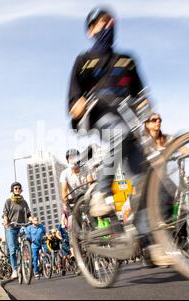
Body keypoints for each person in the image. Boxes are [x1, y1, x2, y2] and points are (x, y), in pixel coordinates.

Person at [68, 7, 147, 218]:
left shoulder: (127, 60)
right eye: (104, 22)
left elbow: (141, 96)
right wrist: (77, 104)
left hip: (128, 120)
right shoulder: (83, 61)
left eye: (112, 22)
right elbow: (74, 98)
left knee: (144, 178)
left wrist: (147, 116)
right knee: (120, 134)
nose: (109, 26)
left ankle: (149, 241)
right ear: (91, 30)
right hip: (98, 116)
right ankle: (101, 194)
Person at [2, 182, 31, 279]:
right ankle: (14, 269)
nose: (17, 189)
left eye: (19, 188)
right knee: (13, 249)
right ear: (12, 190)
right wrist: (6, 220)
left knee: (27, 238)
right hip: (12, 226)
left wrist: (31, 219)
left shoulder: (24, 202)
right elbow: (5, 213)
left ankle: (26, 254)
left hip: (22, 225)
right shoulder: (8, 201)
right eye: (15, 188)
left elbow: (28, 214)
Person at [60, 149, 94, 227]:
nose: (73, 160)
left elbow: (91, 184)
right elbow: (64, 191)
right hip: (73, 201)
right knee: (74, 223)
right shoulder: (64, 173)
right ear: (68, 161)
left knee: (93, 214)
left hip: (86, 197)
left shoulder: (85, 168)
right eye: (70, 158)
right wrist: (65, 204)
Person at [25, 215, 46, 279]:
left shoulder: (41, 226)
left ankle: (46, 265)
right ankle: (36, 272)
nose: (36, 221)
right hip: (34, 245)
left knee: (45, 254)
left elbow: (45, 233)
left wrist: (46, 236)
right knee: (35, 258)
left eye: (37, 220)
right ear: (32, 221)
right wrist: (31, 239)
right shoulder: (29, 227)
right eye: (35, 220)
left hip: (41, 243)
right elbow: (28, 236)